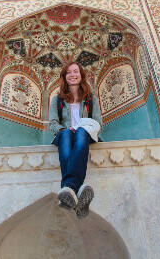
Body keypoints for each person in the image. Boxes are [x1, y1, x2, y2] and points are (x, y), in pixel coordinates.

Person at [49, 61, 102, 219]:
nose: (72, 75)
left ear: (81, 75)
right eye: (69, 72)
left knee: (80, 132)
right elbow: (52, 124)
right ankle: (77, 191)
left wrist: (83, 127)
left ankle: (68, 187)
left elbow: (99, 122)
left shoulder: (90, 99)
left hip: (85, 135)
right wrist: (64, 129)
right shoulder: (57, 100)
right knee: (66, 135)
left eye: (75, 71)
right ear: (65, 77)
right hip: (65, 135)